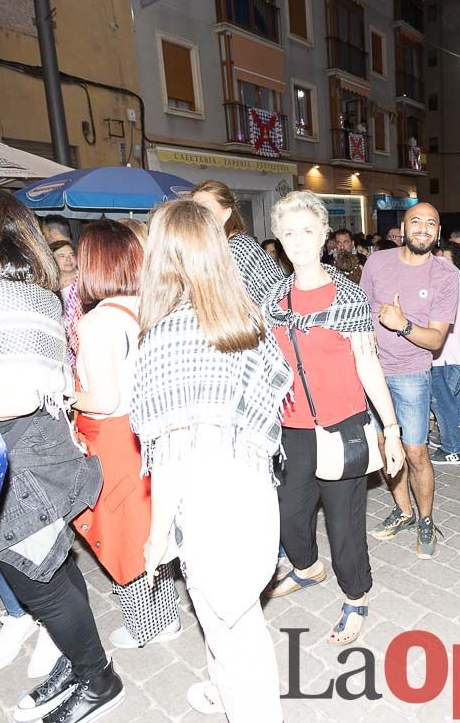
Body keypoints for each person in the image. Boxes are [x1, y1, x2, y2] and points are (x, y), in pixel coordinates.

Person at [0, 187, 120, 723]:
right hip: (32, 453)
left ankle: (99, 680)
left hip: (21, 466)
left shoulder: (2, 298)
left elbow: (16, 395)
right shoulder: (29, 292)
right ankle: (82, 658)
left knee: (37, 585)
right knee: (54, 569)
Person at [133, 199, 291, 722]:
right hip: (254, 492)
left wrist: (157, 535)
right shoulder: (245, 319)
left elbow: (173, 454)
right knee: (239, 620)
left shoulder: (166, 336)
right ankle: (227, 694)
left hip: (209, 507)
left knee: (234, 633)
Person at [260, 191, 406, 645]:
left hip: (342, 426)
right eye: (289, 233)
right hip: (290, 429)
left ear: (324, 236)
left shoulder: (348, 297)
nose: (299, 240)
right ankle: (307, 568)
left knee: (344, 523)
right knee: (288, 517)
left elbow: (368, 363)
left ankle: (356, 595)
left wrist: (392, 430)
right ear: (279, 240)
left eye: (308, 231)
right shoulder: (273, 299)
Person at [70, 221, 182, 651]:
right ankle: (164, 608)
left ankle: (153, 623)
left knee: (124, 532)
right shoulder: (156, 306)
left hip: (117, 436)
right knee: (153, 521)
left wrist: (65, 391)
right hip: (153, 426)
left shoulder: (98, 322)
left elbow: (102, 398)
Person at [361, 203, 460, 559]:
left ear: (437, 231)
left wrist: (402, 324)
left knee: (415, 452)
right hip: (371, 372)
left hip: (411, 374)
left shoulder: (445, 276)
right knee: (384, 447)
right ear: (403, 227)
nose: (423, 228)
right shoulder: (377, 262)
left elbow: (435, 341)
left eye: (430, 223)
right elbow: (361, 312)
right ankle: (403, 512)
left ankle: (426, 520)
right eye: (416, 221)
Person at [191, 179, 285, 304]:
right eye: (193, 209)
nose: (197, 214)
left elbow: (277, 298)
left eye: (205, 207)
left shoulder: (240, 246)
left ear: (227, 213)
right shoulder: (207, 250)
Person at [429, 241, 460, 466]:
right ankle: (447, 438)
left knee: (441, 401)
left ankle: (452, 449)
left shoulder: (437, 274)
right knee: (450, 398)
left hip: (446, 349)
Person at [50, 239, 82, 370]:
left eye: (71, 254)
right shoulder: (50, 286)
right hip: (61, 345)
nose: (68, 259)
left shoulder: (84, 281)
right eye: (62, 256)